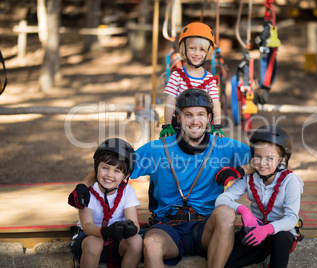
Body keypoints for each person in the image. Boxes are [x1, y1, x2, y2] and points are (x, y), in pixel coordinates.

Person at [68, 88, 252, 267]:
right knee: (151, 244)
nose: (195, 120)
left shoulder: (225, 146)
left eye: (201, 114)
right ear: (178, 118)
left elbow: (267, 160)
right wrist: (83, 186)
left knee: (227, 213)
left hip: (206, 225)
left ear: (210, 118)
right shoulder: (157, 149)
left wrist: (242, 170)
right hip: (167, 225)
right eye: (188, 115)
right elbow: (115, 166)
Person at [215, 125, 304, 268]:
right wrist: (243, 210)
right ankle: (260, 255)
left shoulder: (290, 181)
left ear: (282, 159)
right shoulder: (250, 178)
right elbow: (221, 200)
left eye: (270, 158)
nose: (262, 163)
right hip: (255, 232)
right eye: (258, 157)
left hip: (280, 234)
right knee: (227, 261)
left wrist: (267, 229)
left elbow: (292, 218)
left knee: (280, 238)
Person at [70, 138, 143, 268]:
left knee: (137, 241)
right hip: (89, 239)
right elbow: (87, 226)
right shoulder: (87, 192)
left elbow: (134, 222)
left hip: (116, 243)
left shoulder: (128, 192)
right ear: (96, 167)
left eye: (117, 171)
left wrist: (132, 228)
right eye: (105, 168)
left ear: (125, 176)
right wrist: (106, 231)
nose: (109, 175)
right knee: (95, 242)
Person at [161, 22, 224, 138]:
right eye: (192, 48)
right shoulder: (177, 76)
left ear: (207, 52)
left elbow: (215, 103)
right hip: (179, 126)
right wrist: (167, 125)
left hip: (201, 126)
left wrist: (217, 126)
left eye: (202, 50)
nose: (197, 53)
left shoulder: (210, 79)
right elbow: (169, 102)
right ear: (184, 49)